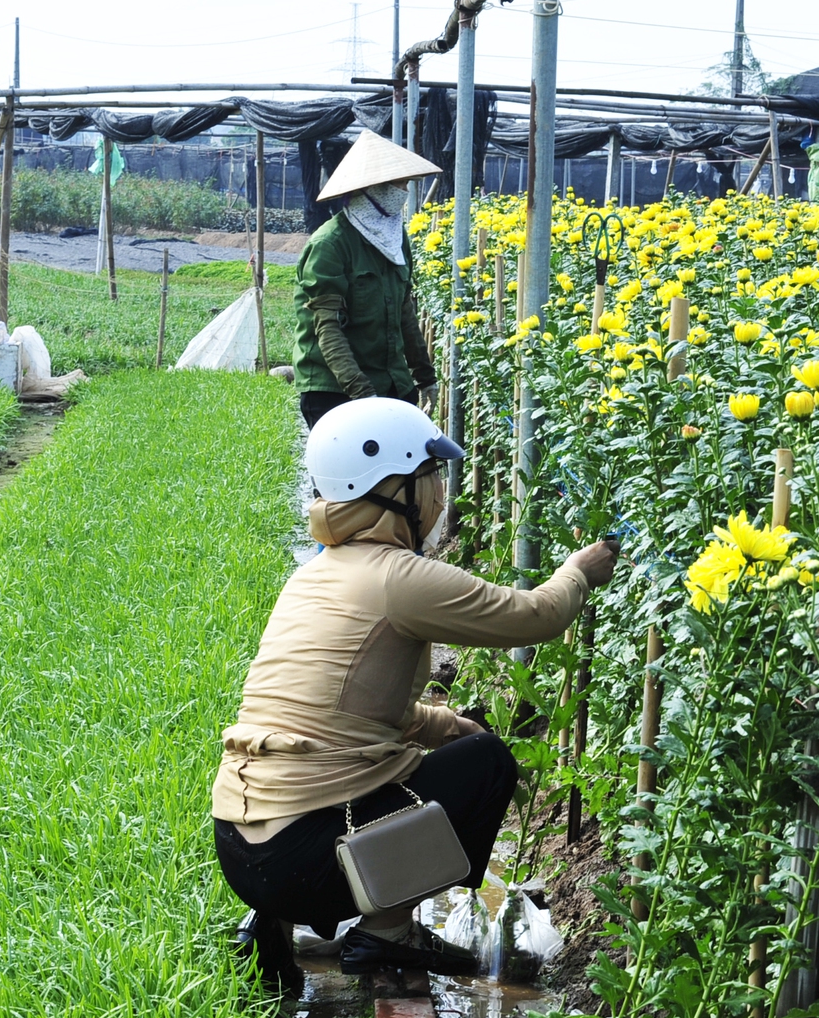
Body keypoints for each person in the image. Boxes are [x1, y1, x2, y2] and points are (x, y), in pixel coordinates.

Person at [212, 397, 618, 984]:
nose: (438, 493)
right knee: (485, 765)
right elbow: (533, 617)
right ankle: (386, 935)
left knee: (448, 750)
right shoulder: (397, 576)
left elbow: (360, 713)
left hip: (243, 852)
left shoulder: (317, 573)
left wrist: (451, 725)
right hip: (304, 859)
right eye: (430, 477)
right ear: (395, 488)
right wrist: (579, 571)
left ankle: (272, 924)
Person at [293, 131, 440, 429]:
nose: (405, 191)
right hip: (334, 390)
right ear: (373, 188)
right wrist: (363, 395)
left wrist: (425, 377)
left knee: (401, 474)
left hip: (390, 383)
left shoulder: (395, 237)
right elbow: (328, 328)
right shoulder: (330, 244)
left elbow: (403, 311)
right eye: (400, 183)